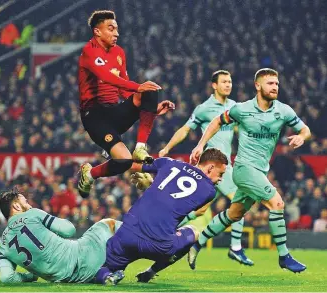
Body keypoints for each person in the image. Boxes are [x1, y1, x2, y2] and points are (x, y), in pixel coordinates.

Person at [189, 68, 311, 273]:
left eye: (277, 84)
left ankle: (197, 244)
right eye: (270, 83)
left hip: (260, 172)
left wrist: (301, 137)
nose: (275, 87)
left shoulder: (284, 111)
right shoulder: (242, 109)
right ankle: (284, 256)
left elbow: (305, 129)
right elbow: (217, 121)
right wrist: (201, 144)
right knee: (277, 203)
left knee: (233, 214)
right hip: (244, 168)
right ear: (258, 85)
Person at [159, 70, 253, 265]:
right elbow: (186, 129)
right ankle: (235, 248)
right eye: (224, 82)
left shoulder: (234, 107)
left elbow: (242, 129)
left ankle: (165, 234)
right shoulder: (204, 109)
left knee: (199, 210)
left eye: (230, 81)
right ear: (214, 85)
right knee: (240, 199)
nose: (228, 85)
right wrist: (167, 147)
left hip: (224, 166)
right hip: (213, 165)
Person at [77, 10, 174, 198]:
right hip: (95, 117)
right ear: (97, 32)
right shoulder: (89, 51)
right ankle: (89, 174)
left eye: (117, 29)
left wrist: (150, 108)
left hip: (115, 111)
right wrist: (139, 87)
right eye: (111, 29)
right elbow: (107, 77)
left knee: (149, 91)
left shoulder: (119, 52)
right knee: (123, 162)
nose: (116, 34)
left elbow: (124, 89)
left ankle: (140, 147)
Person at [96, 148, 228, 284]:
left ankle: (107, 276)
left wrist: (116, 153)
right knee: (193, 233)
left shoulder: (168, 163)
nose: (220, 179)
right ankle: (150, 273)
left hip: (128, 236)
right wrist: (153, 184)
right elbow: (176, 201)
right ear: (211, 167)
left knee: (104, 268)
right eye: (220, 174)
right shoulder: (209, 191)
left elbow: (131, 166)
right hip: (159, 246)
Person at [0, 187, 124, 284]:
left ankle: (105, 276)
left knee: (98, 268)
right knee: (107, 224)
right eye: (25, 201)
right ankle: (141, 235)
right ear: (16, 206)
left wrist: (30, 276)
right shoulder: (32, 214)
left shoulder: (3, 245)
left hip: (68, 279)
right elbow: (69, 230)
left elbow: (6, 277)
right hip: (81, 256)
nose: (29, 204)